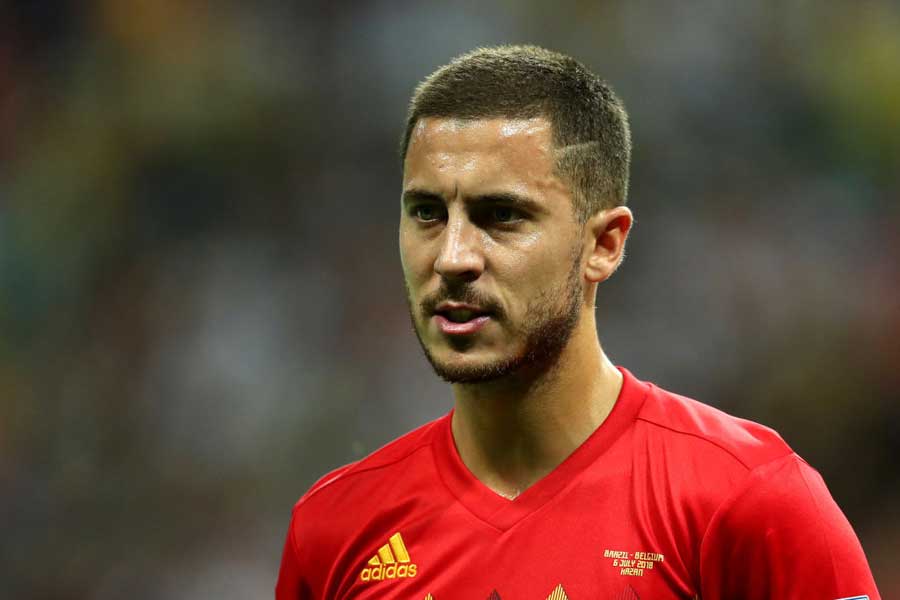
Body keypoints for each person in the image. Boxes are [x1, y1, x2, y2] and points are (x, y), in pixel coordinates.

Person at [276, 45, 880, 599]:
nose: (452, 257)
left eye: (502, 214)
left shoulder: (750, 500)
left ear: (604, 245)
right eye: (428, 213)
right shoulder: (333, 529)